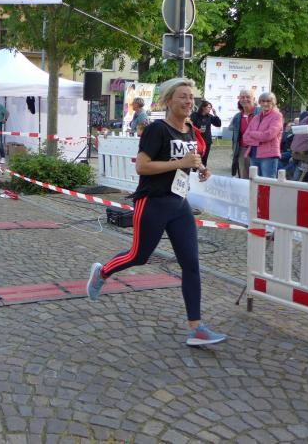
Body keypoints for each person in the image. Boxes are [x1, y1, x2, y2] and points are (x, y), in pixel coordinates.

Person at [86, 77, 226, 346]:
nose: (189, 101)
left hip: (179, 204)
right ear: (168, 101)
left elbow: (187, 161)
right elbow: (142, 167)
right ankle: (102, 273)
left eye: (191, 97)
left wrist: (200, 168)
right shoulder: (156, 129)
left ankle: (196, 328)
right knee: (139, 256)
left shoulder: (190, 130)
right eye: (183, 96)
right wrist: (180, 162)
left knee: (191, 264)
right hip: (152, 203)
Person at [242, 93, 283, 179]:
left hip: (269, 156)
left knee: (267, 183)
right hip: (253, 154)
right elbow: (245, 137)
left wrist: (252, 133)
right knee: (255, 182)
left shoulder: (277, 116)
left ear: (273, 103)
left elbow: (268, 135)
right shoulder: (256, 117)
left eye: (268, 101)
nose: (265, 103)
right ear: (259, 103)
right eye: (263, 101)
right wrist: (260, 138)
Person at [229, 89, 260, 178]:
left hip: (259, 149)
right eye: (242, 97)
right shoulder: (237, 116)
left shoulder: (261, 112)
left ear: (254, 99)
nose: (245, 99)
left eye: (248, 97)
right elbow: (231, 128)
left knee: (258, 177)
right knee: (244, 177)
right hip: (243, 150)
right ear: (239, 99)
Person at [190, 100, 222, 167]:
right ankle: (194, 172)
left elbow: (218, 124)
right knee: (196, 159)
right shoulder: (194, 115)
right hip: (197, 140)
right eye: (208, 107)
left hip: (207, 141)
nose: (210, 109)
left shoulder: (209, 116)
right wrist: (197, 130)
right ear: (203, 107)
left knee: (204, 159)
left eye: (210, 107)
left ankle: (203, 171)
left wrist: (215, 114)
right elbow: (189, 125)